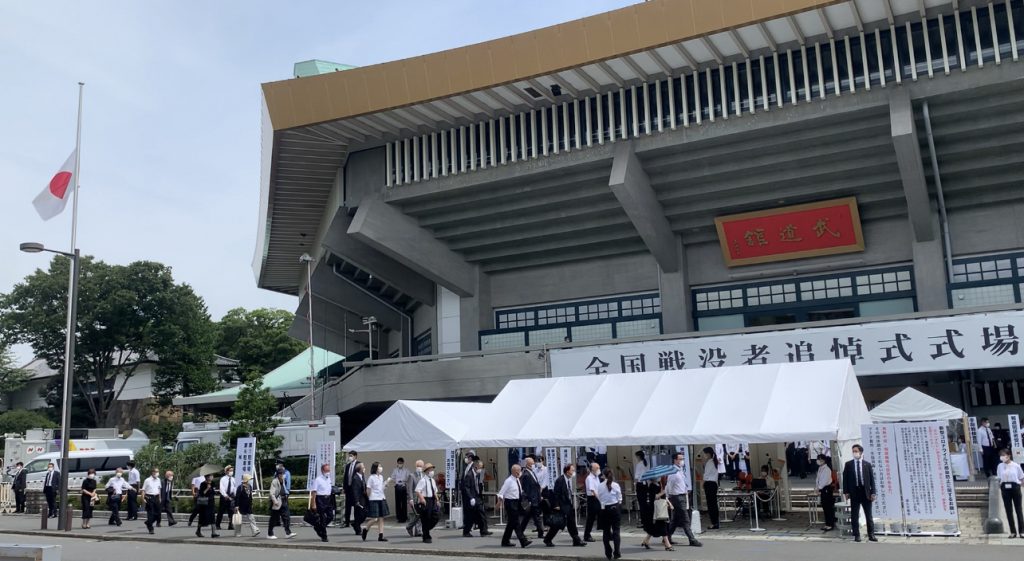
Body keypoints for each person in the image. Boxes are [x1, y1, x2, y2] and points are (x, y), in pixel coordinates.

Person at [544, 463, 585, 547]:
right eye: (572, 470)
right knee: (557, 524)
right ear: (567, 471)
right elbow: (556, 494)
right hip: (561, 506)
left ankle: (576, 540)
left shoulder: (567, 480)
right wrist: (556, 505)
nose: (573, 472)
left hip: (567, 505)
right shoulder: (560, 480)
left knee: (571, 523)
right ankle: (547, 539)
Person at [842, 444, 877, 542]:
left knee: (868, 515)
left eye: (856, 451)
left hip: (865, 492)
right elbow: (845, 479)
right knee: (854, 515)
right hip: (854, 492)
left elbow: (872, 480)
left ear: (861, 452)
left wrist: (873, 492)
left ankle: (871, 534)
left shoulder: (867, 464)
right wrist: (846, 492)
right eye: (853, 451)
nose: (854, 453)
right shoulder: (848, 464)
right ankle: (856, 535)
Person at [666, 451, 702, 547]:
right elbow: (669, 486)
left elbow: (681, 483)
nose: (682, 461)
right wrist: (669, 498)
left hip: (682, 495)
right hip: (677, 497)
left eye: (683, 459)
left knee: (676, 520)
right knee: (685, 519)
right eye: (680, 459)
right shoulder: (673, 472)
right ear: (675, 460)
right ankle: (692, 539)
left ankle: (667, 537)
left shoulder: (680, 470)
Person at [496, 464, 531, 548]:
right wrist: (498, 503)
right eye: (519, 470)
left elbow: (519, 491)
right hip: (510, 503)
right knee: (516, 523)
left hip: (517, 502)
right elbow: (501, 492)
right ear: (515, 471)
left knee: (511, 524)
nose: (520, 472)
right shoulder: (509, 481)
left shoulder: (517, 480)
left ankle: (505, 541)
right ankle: (523, 541)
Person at [997, 449, 1024, 538]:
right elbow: (999, 477)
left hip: (1015, 487)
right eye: (1001, 455)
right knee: (1008, 510)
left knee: (1018, 510)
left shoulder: (1016, 465)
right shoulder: (1000, 466)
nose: (1002, 457)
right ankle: (1013, 531)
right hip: (1005, 488)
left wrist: (1020, 485)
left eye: (1004, 455)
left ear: (1008, 455)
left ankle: (1022, 531)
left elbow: (1021, 477)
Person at [360, 461, 390, 542]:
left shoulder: (381, 477)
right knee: (375, 519)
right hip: (374, 499)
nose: (380, 468)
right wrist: (369, 498)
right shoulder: (371, 477)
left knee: (381, 518)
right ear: (376, 468)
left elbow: (381, 488)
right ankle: (365, 529)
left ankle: (381, 535)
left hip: (381, 498)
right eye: (379, 466)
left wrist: (386, 484)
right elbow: (368, 489)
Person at [597, 468, 622, 560]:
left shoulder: (600, 486)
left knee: (606, 531)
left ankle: (608, 552)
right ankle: (617, 552)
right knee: (616, 531)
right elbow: (619, 497)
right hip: (615, 507)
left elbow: (599, 497)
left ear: (603, 475)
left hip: (604, 509)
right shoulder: (615, 485)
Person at [461, 457, 490, 537]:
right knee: (470, 516)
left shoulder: (477, 475)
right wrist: (471, 498)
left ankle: (484, 531)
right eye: (480, 467)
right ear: (476, 467)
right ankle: (466, 531)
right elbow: (466, 488)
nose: (481, 469)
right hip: (471, 498)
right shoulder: (469, 475)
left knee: (481, 514)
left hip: (477, 497)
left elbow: (478, 485)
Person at [641, 480, 673, 551]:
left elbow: (664, 497)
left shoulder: (659, 484)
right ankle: (667, 545)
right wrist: (662, 492)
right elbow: (654, 497)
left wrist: (669, 503)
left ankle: (646, 541)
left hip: (660, 508)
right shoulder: (652, 486)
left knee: (654, 527)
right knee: (662, 525)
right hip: (656, 509)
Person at [415, 462, 441, 544]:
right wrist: (422, 498)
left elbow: (435, 491)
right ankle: (426, 536)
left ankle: (425, 529)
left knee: (436, 516)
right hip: (426, 500)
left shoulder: (432, 480)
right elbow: (417, 490)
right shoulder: (423, 480)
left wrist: (437, 500)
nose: (432, 471)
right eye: (430, 470)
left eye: (432, 469)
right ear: (426, 471)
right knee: (426, 518)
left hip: (432, 500)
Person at [519, 456, 544, 538]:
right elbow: (526, 489)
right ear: (527, 465)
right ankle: (541, 532)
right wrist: (530, 500)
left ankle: (520, 531)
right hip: (532, 500)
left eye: (533, 463)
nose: (534, 465)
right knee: (536, 517)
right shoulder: (526, 475)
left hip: (536, 498)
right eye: (532, 463)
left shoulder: (532, 472)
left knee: (528, 517)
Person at [267, 467, 294, 539]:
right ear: (278, 474)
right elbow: (271, 493)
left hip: (284, 500)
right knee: (274, 518)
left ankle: (288, 533)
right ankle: (270, 533)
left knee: (286, 516)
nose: (283, 475)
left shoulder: (283, 480)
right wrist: (275, 501)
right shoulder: (274, 481)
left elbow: (284, 489)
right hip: (277, 502)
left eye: (283, 473)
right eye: (282, 474)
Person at [310, 462, 334, 542]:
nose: (328, 472)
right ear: (322, 471)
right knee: (322, 518)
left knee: (330, 516)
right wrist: (313, 504)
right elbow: (314, 492)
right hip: (320, 499)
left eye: (329, 470)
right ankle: (324, 536)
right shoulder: (318, 480)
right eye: (326, 470)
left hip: (328, 499)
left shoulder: (329, 479)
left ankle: (319, 527)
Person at [816, 454, 836, 532]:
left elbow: (824, 481)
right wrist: (817, 487)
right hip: (822, 489)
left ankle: (830, 524)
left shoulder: (827, 469)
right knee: (825, 507)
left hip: (826, 489)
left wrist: (819, 487)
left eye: (820, 460)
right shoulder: (820, 468)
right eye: (818, 459)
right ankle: (827, 523)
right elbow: (818, 479)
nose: (819, 461)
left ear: (824, 460)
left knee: (828, 507)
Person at [702, 447, 721, 530]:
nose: (704, 455)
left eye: (705, 453)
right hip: (714, 484)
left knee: (711, 504)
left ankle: (714, 522)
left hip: (709, 483)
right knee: (713, 504)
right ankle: (715, 522)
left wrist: (703, 483)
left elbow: (706, 475)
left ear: (708, 454)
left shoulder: (710, 462)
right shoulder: (714, 462)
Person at [196, 473, 219, 538]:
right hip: (205, 503)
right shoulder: (203, 484)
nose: (212, 477)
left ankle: (213, 532)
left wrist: (215, 491)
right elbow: (202, 493)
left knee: (212, 517)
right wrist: (207, 489)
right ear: (207, 477)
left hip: (211, 502)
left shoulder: (213, 483)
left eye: (212, 476)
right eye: (211, 476)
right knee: (202, 518)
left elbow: (213, 492)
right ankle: (198, 530)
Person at [405, 459, 424, 537]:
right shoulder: (411, 475)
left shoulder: (423, 475)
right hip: (414, 498)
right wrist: (411, 499)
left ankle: (418, 531)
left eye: (421, 466)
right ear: (416, 466)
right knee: (414, 515)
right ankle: (409, 527)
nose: (419, 467)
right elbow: (409, 488)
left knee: (420, 515)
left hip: (421, 498)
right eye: (418, 466)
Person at [583, 462, 601, 542]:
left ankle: (607, 533)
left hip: (598, 498)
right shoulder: (589, 478)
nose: (598, 470)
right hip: (592, 499)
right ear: (592, 469)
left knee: (603, 516)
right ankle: (587, 535)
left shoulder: (596, 477)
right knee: (591, 518)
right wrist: (599, 499)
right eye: (597, 468)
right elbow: (592, 490)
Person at [273, 459, 293, 532]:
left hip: (284, 493)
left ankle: (286, 523)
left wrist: (287, 492)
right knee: (276, 508)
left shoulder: (287, 473)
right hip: (276, 493)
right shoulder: (276, 473)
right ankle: (277, 522)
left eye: (277, 464)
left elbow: (288, 483)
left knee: (285, 510)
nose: (276, 465)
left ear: (281, 465)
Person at [349, 462, 367, 536]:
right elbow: (355, 490)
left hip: (363, 498)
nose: (364, 468)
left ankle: (356, 524)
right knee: (359, 514)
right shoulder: (355, 478)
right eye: (363, 467)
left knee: (363, 514)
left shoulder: (362, 476)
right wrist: (357, 501)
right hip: (358, 499)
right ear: (359, 469)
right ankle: (357, 529)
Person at [142, 468, 163, 534]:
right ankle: (151, 528)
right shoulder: (147, 480)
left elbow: (159, 489)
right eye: (156, 471)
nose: (157, 473)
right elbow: (143, 490)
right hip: (149, 497)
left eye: (158, 472)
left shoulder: (158, 480)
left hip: (156, 497)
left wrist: (159, 498)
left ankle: (148, 522)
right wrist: (143, 498)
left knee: (158, 513)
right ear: (152, 472)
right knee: (150, 513)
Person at [216, 465, 236, 531]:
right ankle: (217, 525)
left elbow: (234, 488)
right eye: (230, 471)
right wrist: (225, 496)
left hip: (231, 497)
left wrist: (235, 495)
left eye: (232, 471)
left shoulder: (233, 479)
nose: (231, 472)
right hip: (224, 497)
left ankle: (230, 525)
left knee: (231, 512)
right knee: (221, 511)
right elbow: (221, 488)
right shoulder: (223, 479)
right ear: (226, 471)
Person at [342, 450, 359, 527]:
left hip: (355, 489)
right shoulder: (348, 465)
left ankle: (356, 521)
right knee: (347, 506)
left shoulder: (359, 464)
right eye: (349, 456)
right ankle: (347, 522)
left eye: (351, 456)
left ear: (355, 456)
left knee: (356, 506)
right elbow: (345, 477)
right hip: (348, 488)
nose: (350, 457)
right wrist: (344, 488)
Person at [391, 457, 409, 523]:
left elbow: (408, 478)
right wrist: (397, 481)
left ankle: (404, 517)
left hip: (403, 486)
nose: (400, 464)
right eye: (399, 463)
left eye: (401, 463)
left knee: (404, 503)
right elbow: (392, 477)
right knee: (398, 502)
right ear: (397, 463)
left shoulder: (406, 470)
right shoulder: (395, 470)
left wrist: (403, 481)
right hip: (397, 486)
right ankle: (399, 517)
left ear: (403, 463)